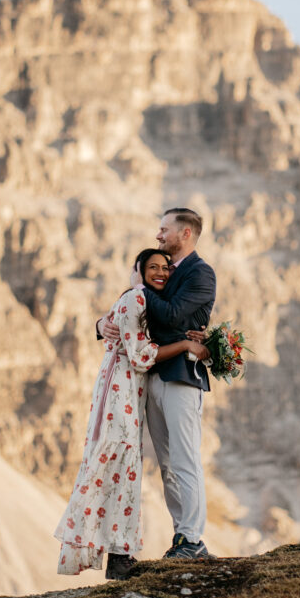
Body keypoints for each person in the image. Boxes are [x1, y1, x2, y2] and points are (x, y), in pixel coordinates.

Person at [55, 248, 209, 580]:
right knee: (120, 464)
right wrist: (185, 347)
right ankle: (119, 556)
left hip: (128, 390)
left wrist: (193, 336)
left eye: (165, 268)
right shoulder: (136, 298)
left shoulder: (145, 301)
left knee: (124, 468)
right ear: (137, 271)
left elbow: (132, 330)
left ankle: (119, 554)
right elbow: (140, 355)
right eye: (152, 267)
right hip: (120, 391)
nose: (161, 272)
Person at [98, 208, 216, 560]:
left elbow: (171, 314)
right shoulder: (159, 275)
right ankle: (182, 536)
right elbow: (130, 313)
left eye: (164, 229)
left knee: (185, 459)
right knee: (166, 464)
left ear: (185, 234)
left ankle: (193, 539)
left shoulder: (201, 273)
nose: (158, 235)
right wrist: (102, 323)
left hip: (182, 376)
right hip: (152, 377)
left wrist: (137, 289)